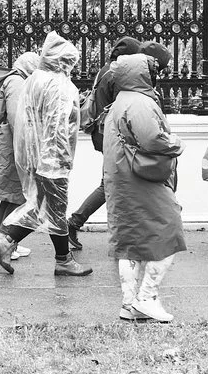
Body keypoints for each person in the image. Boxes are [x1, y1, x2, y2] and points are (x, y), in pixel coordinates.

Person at [0, 32, 93, 277]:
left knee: (43, 206)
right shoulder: (59, 85)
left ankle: (7, 240)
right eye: (70, 61)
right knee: (55, 207)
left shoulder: (36, 80)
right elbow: (57, 126)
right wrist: (59, 160)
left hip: (37, 156)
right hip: (53, 158)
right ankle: (61, 259)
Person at [101, 54, 186, 323]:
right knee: (168, 230)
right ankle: (147, 298)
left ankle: (130, 304)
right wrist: (176, 143)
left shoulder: (121, 101)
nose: (156, 74)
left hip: (122, 179)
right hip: (140, 180)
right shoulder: (139, 102)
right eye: (152, 70)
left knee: (130, 242)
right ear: (142, 74)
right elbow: (152, 139)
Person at [63, 37, 149, 251]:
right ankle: (75, 223)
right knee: (112, 184)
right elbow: (124, 106)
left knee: (115, 183)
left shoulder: (106, 70)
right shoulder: (118, 75)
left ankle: (84, 224)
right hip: (115, 136)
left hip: (104, 134)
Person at [0, 52, 38, 262]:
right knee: (15, 195)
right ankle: (3, 242)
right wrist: (27, 147)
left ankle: (5, 242)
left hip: (2, 143)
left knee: (10, 196)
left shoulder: (9, 79)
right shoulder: (17, 82)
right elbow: (16, 118)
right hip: (10, 146)